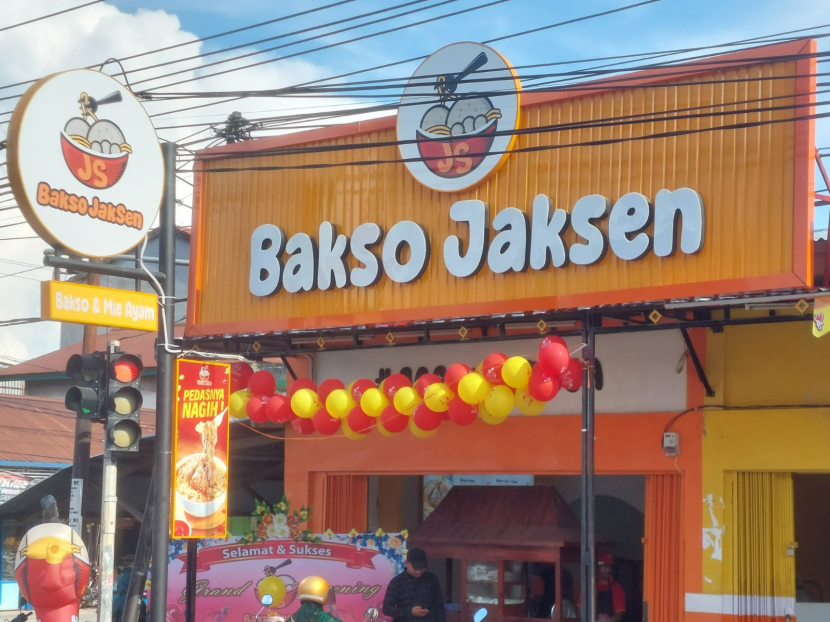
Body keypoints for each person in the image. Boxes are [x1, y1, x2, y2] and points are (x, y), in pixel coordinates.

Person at [383, 548, 446, 622]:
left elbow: (440, 606)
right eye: (415, 568)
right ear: (406, 563)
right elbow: (387, 609)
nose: (419, 571)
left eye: (422, 568)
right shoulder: (397, 582)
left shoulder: (432, 579)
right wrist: (409, 612)